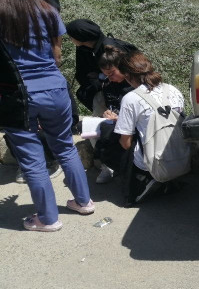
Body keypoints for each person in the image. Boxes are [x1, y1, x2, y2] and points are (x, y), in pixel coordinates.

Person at [0, 0, 94, 232]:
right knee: (65, 145)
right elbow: (57, 55)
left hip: (18, 94)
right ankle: (83, 201)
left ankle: (48, 219)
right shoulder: (49, 11)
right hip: (55, 87)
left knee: (32, 159)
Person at [0, 0, 72, 183]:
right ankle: (28, 162)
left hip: (38, 68)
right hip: (10, 72)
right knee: (16, 122)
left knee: (46, 123)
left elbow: (53, 22)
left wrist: (55, 56)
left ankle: (47, 161)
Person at [113, 51, 184, 204]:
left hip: (151, 161)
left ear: (128, 76)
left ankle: (145, 179)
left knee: (113, 138)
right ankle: (168, 180)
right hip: (181, 156)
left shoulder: (131, 98)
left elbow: (125, 143)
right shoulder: (173, 90)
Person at [66, 19, 135, 116]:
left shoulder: (110, 48)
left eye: (70, 37)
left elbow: (126, 75)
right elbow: (82, 73)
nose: (71, 40)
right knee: (83, 93)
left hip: (125, 91)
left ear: (80, 37)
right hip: (104, 89)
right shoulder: (84, 49)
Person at [92, 46, 131, 184]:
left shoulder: (133, 84)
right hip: (115, 123)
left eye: (112, 73)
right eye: (107, 75)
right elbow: (112, 106)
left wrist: (120, 119)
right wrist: (108, 113)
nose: (111, 78)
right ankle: (107, 166)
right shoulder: (109, 86)